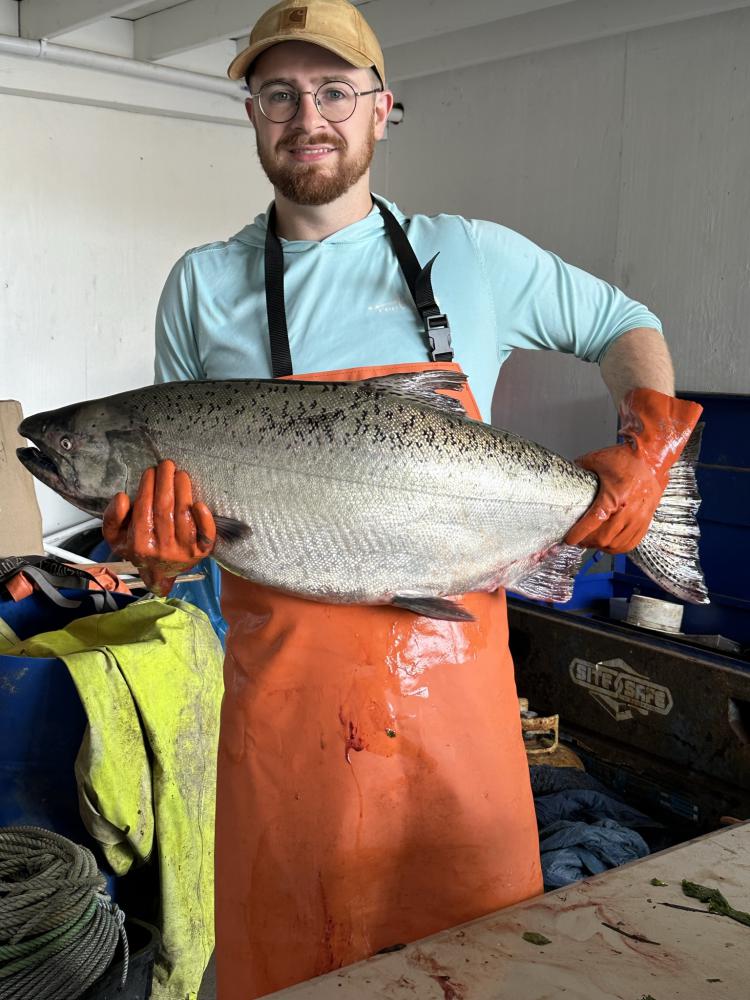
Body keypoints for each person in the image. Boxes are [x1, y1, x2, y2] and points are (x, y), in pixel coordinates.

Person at [103, 1, 703, 997]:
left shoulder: (472, 255)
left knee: (478, 970)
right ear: (252, 114)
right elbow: (181, 546)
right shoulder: (200, 288)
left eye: (335, 90)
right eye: (278, 94)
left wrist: (646, 449)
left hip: (457, 725)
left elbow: (624, 323)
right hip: (282, 736)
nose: (309, 116)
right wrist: (156, 554)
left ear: (383, 110)